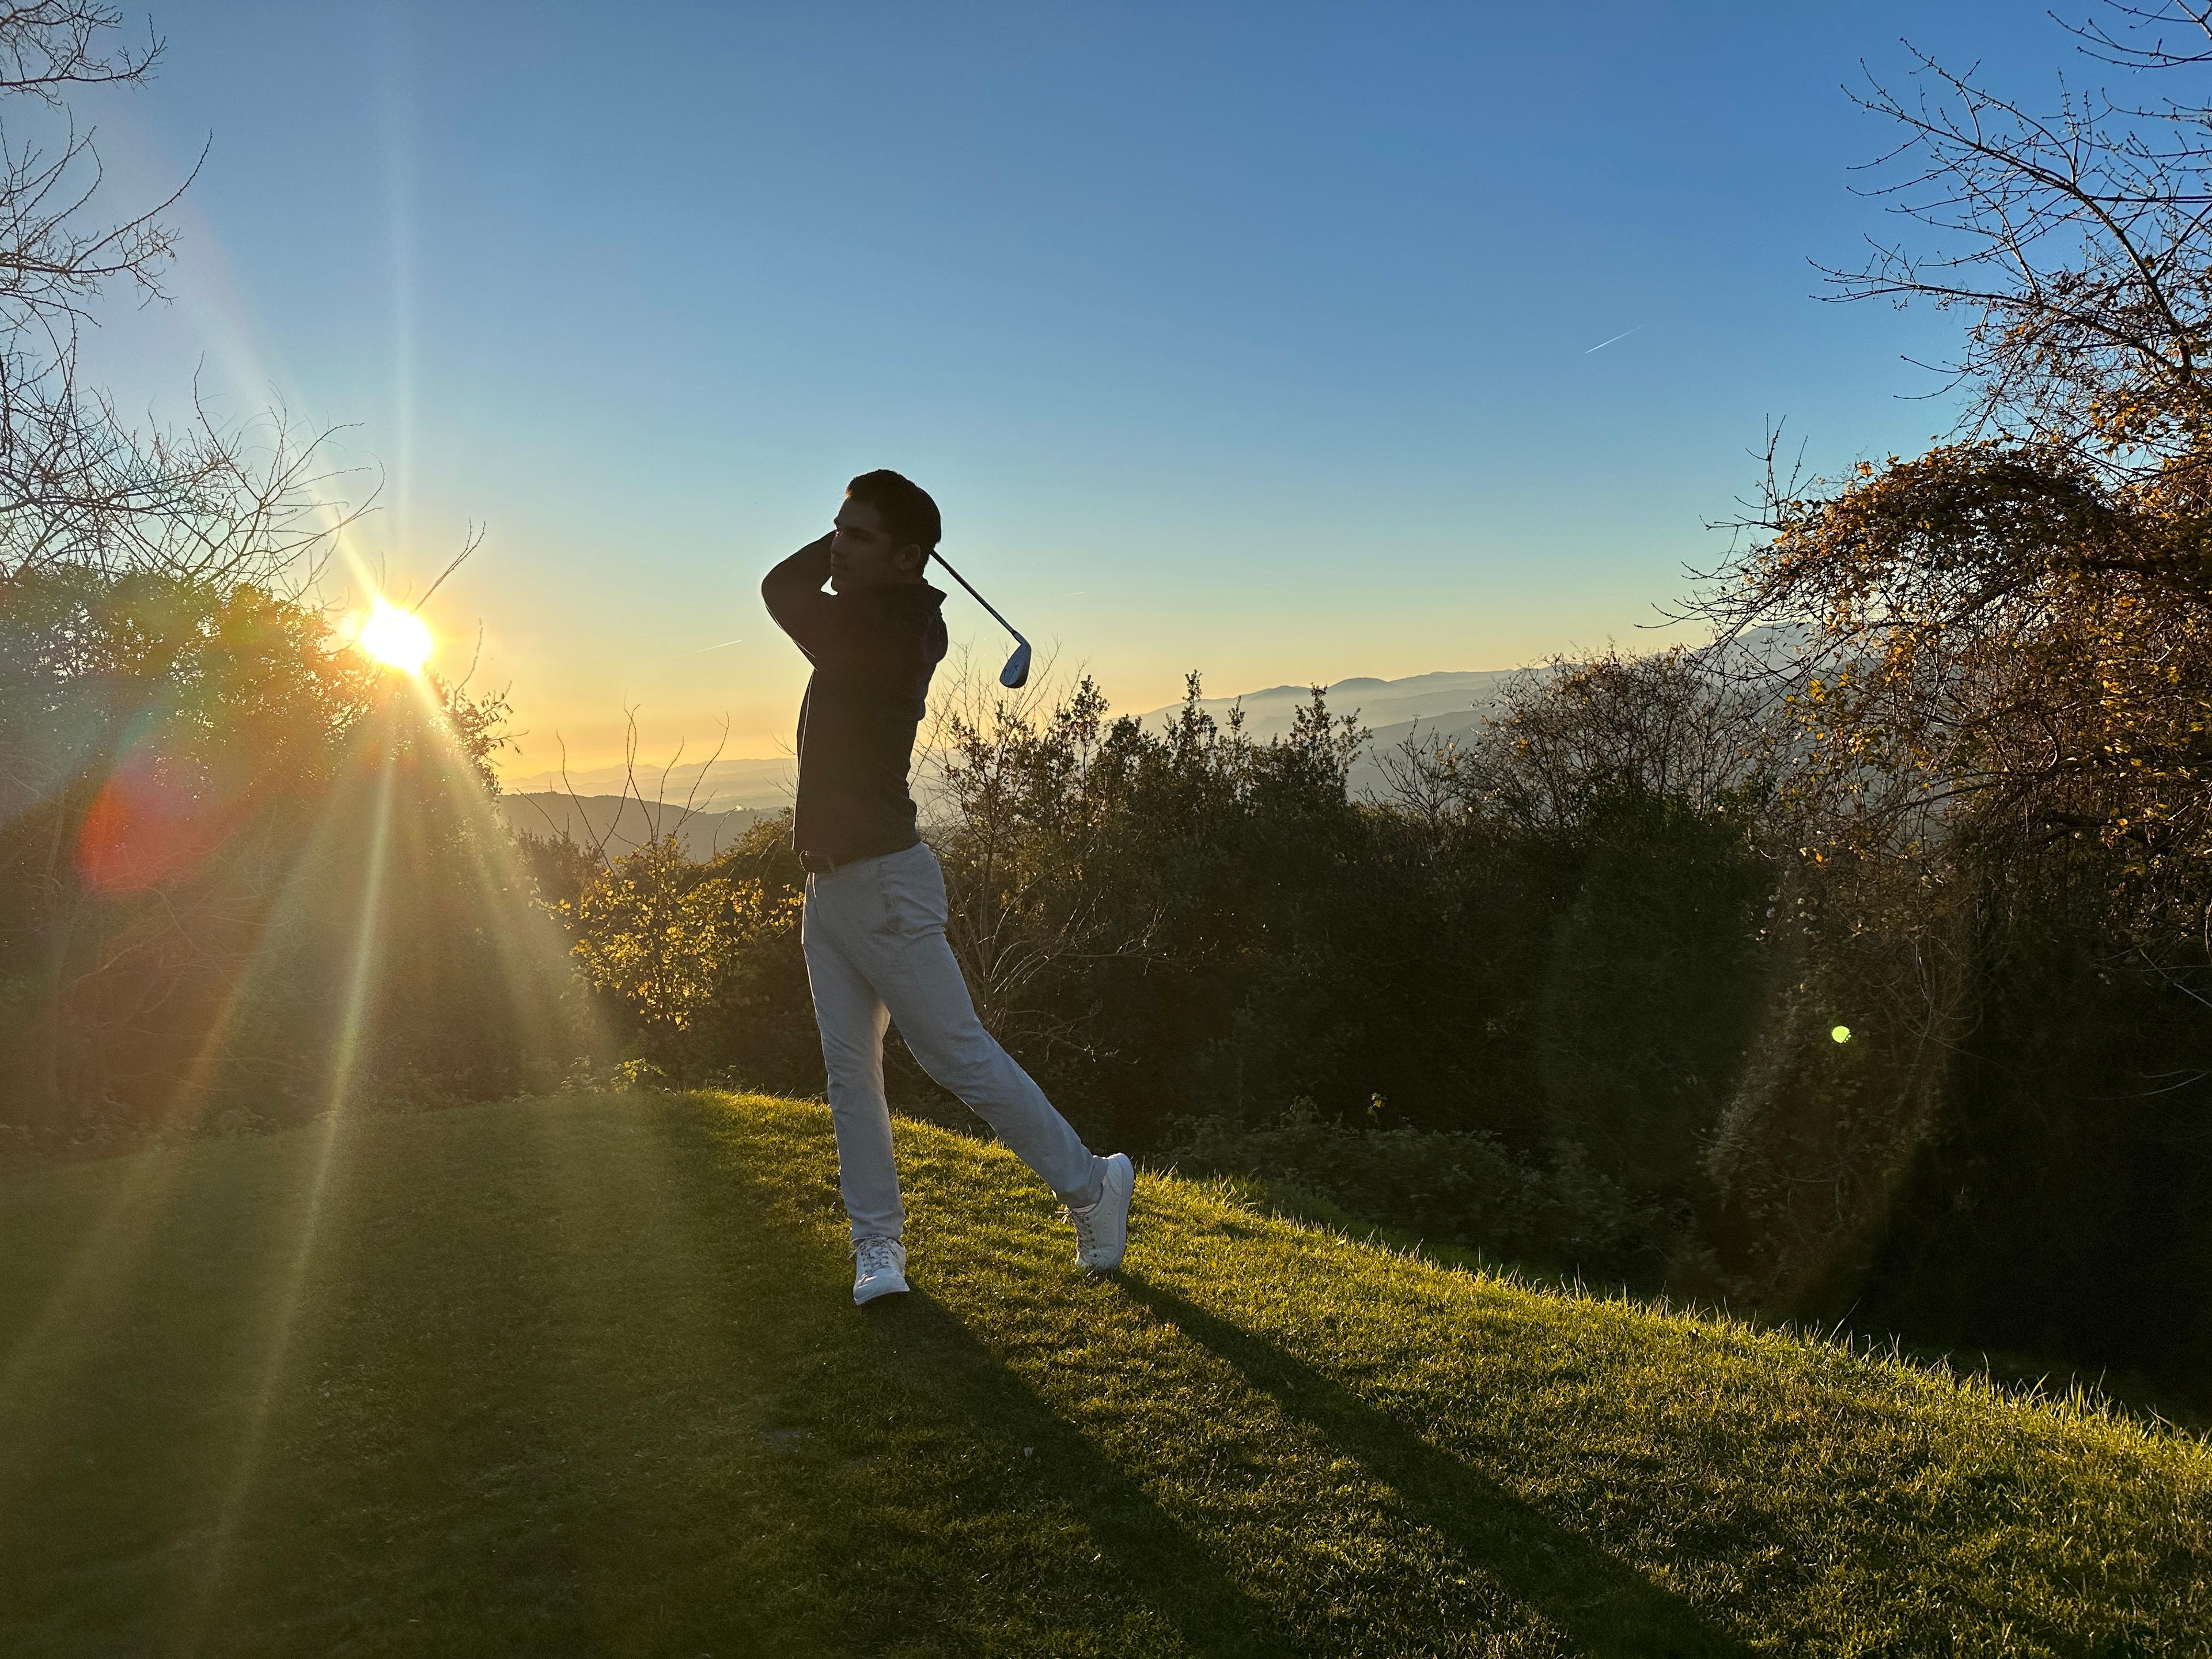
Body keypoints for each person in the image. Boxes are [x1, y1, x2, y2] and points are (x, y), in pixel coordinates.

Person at [762, 469, 1134, 1306]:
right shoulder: (883, 612)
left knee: (955, 1054)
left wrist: (847, 555)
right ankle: (878, 1249)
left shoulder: (885, 630)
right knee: (849, 1075)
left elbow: (780, 588)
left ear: (905, 557)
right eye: (835, 530)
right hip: (832, 893)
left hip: (886, 887)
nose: (836, 550)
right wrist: (868, 544)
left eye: (854, 536)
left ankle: (1091, 1187)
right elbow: (811, 587)